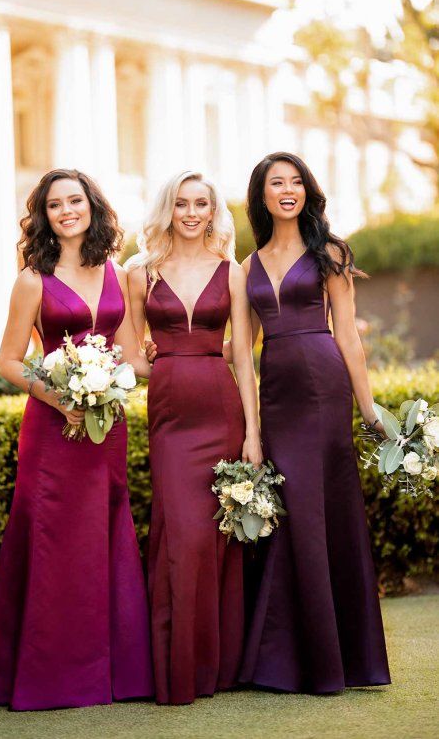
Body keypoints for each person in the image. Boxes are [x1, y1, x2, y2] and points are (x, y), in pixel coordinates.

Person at [0, 169, 153, 711]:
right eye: (54, 205)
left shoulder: (115, 270)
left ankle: (115, 674)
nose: (66, 210)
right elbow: (7, 360)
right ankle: (48, 677)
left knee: (106, 533)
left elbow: (132, 356)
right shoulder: (32, 279)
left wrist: (199, 352)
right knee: (51, 540)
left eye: (75, 200)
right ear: (44, 217)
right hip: (53, 429)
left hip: (106, 426)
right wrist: (60, 398)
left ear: (92, 206)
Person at [238, 151, 390, 694]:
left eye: (295, 182)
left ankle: (341, 660)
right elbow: (241, 350)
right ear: (261, 195)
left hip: (326, 390)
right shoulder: (247, 265)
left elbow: (349, 336)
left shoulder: (328, 252)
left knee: (326, 510)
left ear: (307, 192)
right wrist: (250, 429)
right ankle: (288, 658)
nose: (287, 190)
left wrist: (369, 411)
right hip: (277, 393)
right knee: (291, 511)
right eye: (276, 182)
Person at [126, 170, 261, 705]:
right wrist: (156, 363)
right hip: (170, 418)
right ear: (168, 209)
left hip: (221, 412)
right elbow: (130, 355)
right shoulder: (140, 273)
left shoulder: (231, 271)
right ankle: (176, 668)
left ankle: (217, 667)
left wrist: (253, 432)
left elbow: (244, 356)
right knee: (180, 537)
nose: (190, 212)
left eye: (200, 204)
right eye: (181, 203)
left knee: (214, 539)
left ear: (212, 212)